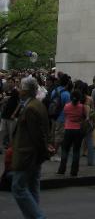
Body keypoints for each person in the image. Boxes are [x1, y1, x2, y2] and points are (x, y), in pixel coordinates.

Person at [10, 76, 51, 219]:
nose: (18, 90)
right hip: (33, 154)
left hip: (27, 154)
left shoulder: (31, 108)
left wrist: (43, 151)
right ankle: (34, 215)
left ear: (25, 91)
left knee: (18, 187)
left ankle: (38, 217)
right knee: (32, 186)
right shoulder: (36, 104)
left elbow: (36, 135)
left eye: (20, 87)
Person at [57, 88, 88, 177]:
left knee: (65, 150)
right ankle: (74, 171)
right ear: (79, 98)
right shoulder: (82, 107)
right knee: (76, 150)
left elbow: (66, 115)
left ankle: (62, 169)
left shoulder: (66, 106)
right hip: (78, 129)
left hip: (68, 129)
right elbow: (84, 117)